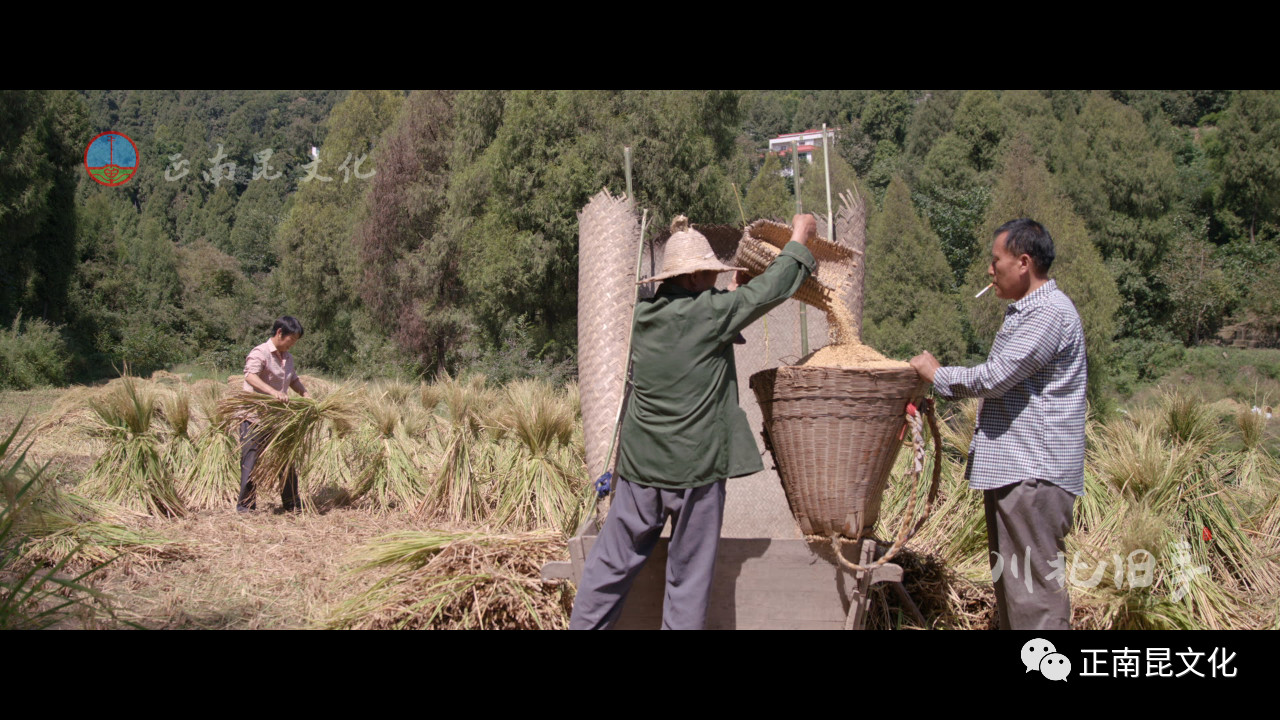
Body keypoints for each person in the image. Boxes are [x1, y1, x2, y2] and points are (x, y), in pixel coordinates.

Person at [569, 213, 817, 630]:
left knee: (609, 566)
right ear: (693, 277)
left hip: (640, 468)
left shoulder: (642, 317)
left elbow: (693, 329)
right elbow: (772, 288)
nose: (715, 279)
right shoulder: (712, 314)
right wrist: (800, 237)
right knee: (687, 580)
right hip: (695, 471)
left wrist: (728, 296)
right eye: (709, 274)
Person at [909, 219, 1086, 630]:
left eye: (996, 261)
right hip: (1020, 473)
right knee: (1015, 590)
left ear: (1023, 263)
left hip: (1033, 473)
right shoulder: (1030, 311)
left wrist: (938, 375)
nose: (990, 271)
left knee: (1033, 595)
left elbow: (996, 377)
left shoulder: (1048, 313)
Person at [237, 316, 310, 513]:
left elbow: (293, 380)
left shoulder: (288, 358)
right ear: (279, 333)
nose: (293, 344)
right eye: (291, 339)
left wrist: (305, 394)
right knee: (251, 463)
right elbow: (250, 376)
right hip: (254, 418)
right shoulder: (260, 352)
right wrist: (273, 392)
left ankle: (292, 504)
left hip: (277, 419)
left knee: (286, 460)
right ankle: (245, 507)